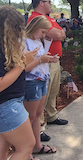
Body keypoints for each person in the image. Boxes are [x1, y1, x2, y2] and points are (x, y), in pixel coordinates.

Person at [0, 6, 38, 160]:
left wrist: (22, 61)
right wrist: (22, 64)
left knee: (0, 149)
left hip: (1, 106)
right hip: (5, 106)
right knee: (26, 146)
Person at [27, 0, 68, 134]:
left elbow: (62, 33)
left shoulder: (49, 19)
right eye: (49, 1)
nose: (51, 4)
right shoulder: (36, 19)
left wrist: (59, 33)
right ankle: (40, 126)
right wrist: (58, 33)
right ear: (41, 3)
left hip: (53, 60)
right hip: (42, 63)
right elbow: (57, 35)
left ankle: (51, 115)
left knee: (53, 91)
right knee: (42, 95)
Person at [24, 16, 58, 157]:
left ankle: (37, 146)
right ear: (35, 27)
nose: (44, 35)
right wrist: (40, 60)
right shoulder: (24, 42)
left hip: (42, 80)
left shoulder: (37, 40)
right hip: (31, 82)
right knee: (30, 117)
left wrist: (49, 59)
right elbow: (23, 67)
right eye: (43, 32)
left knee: (38, 115)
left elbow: (40, 59)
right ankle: (26, 151)